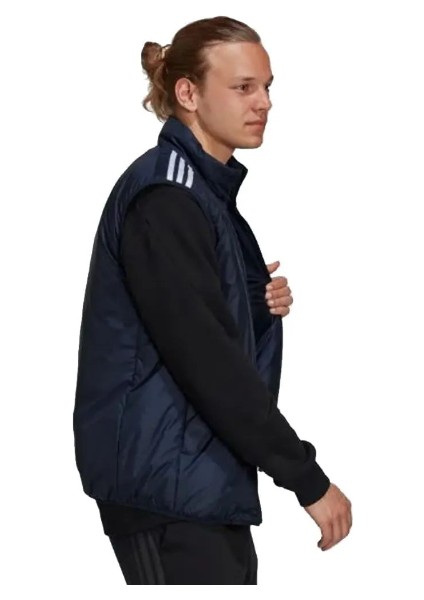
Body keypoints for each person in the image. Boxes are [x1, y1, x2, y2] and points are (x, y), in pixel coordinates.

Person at [73, 15, 352, 585]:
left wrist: (251, 305)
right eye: (243, 87)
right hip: (167, 488)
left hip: (197, 479)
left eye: (267, 86)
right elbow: (209, 364)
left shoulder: (204, 194)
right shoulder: (168, 196)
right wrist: (306, 478)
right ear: (188, 94)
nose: (264, 102)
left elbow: (185, 326)